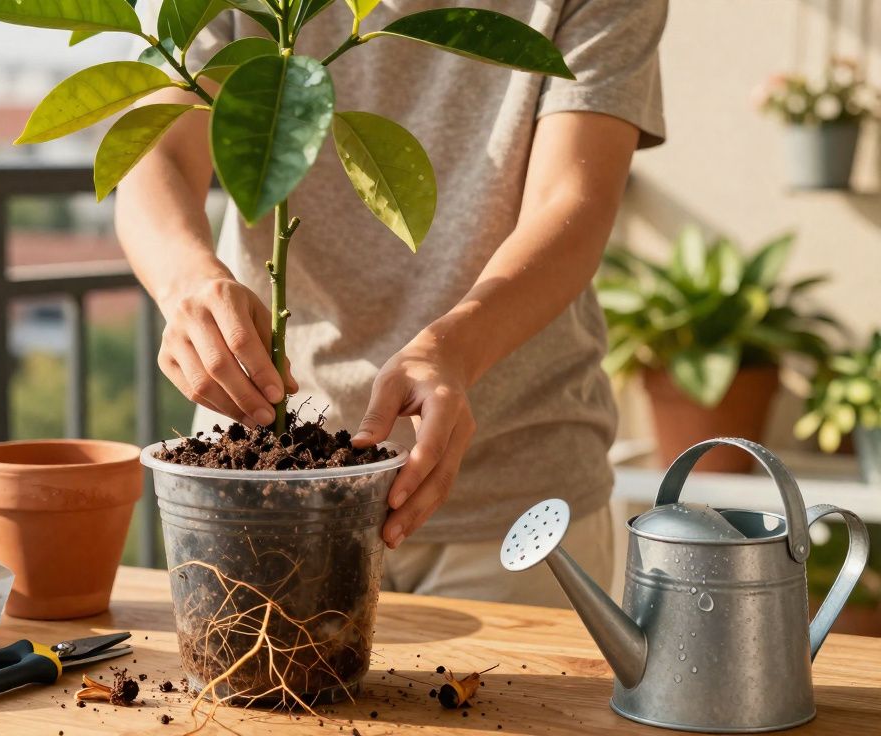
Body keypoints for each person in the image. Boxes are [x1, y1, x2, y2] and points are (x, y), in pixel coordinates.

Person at [116, 0, 666, 607]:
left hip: (511, 491)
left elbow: (573, 202)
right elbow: (156, 151)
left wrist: (453, 348)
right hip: (261, 477)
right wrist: (186, 281)